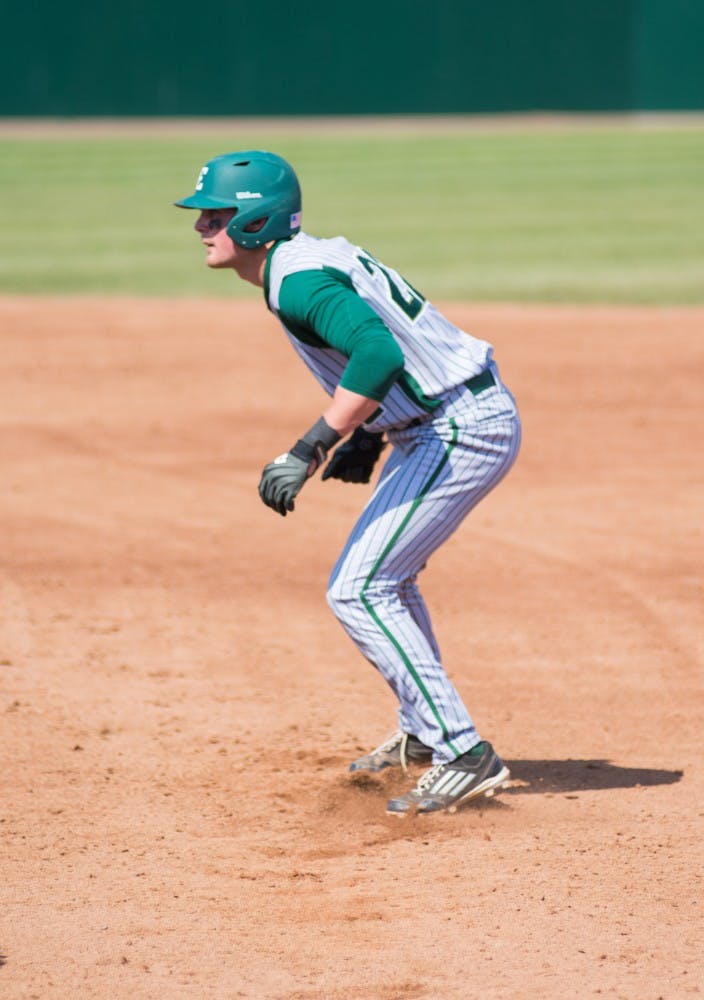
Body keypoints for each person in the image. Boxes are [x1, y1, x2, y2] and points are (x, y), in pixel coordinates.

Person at [175, 150, 521, 815]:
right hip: (441, 419)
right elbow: (381, 343)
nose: (200, 229)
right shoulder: (302, 262)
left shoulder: (296, 282)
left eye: (213, 216)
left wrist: (310, 448)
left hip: (459, 426)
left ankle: (463, 752)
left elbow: (378, 352)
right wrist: (368, 431)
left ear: (254, 221)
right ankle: (425, 736)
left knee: (359, 589)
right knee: (386, 581)